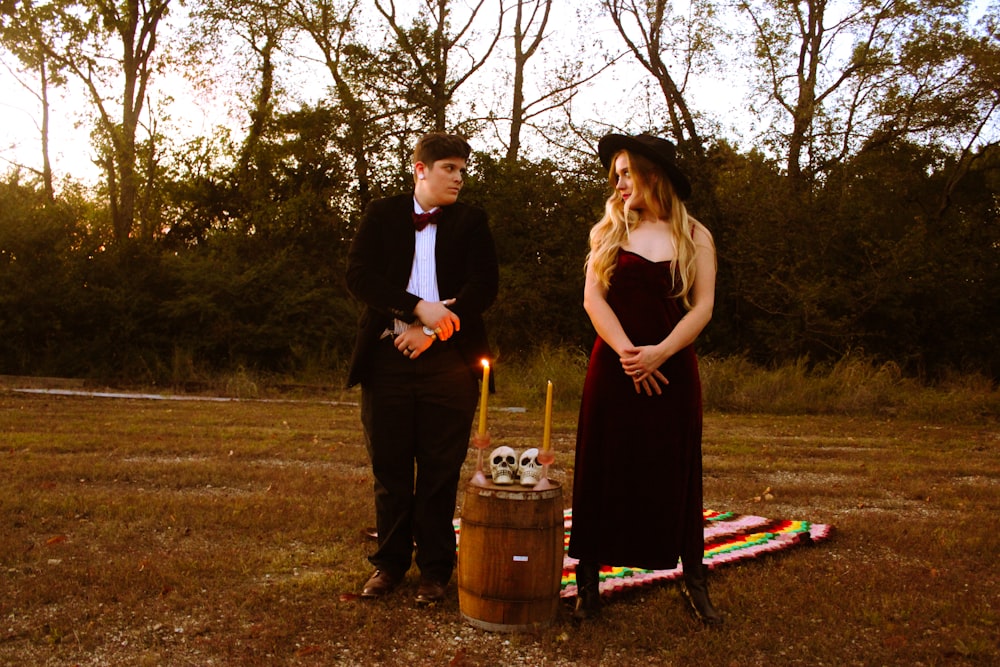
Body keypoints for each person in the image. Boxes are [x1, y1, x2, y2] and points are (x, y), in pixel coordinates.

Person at [568, 133, 722, 625]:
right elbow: (594, 301)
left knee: (674, 468)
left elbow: (704, 308)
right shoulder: (607, 232)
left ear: (652, 175)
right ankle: (587, 586)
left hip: (672, 367)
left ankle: (694, 583)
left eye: (626, 172)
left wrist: (660, 353)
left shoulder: (695, 235)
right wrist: (629, 355)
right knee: (602, 464)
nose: (618, 183)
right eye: (615, 175)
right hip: (614, 367)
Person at [345, 132, 499, 605]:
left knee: (439, 469)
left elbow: (484, 288)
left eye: (462, 170)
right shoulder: (383, 213)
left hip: (450, 362)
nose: (458, 177)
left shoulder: (472, 222)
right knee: (390, 468)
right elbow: (359, 276)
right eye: (449, 168)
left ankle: (435, 571)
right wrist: (416, 309)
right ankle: (388, 566)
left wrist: (432, 328)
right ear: (421, 169)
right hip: (387, 355)